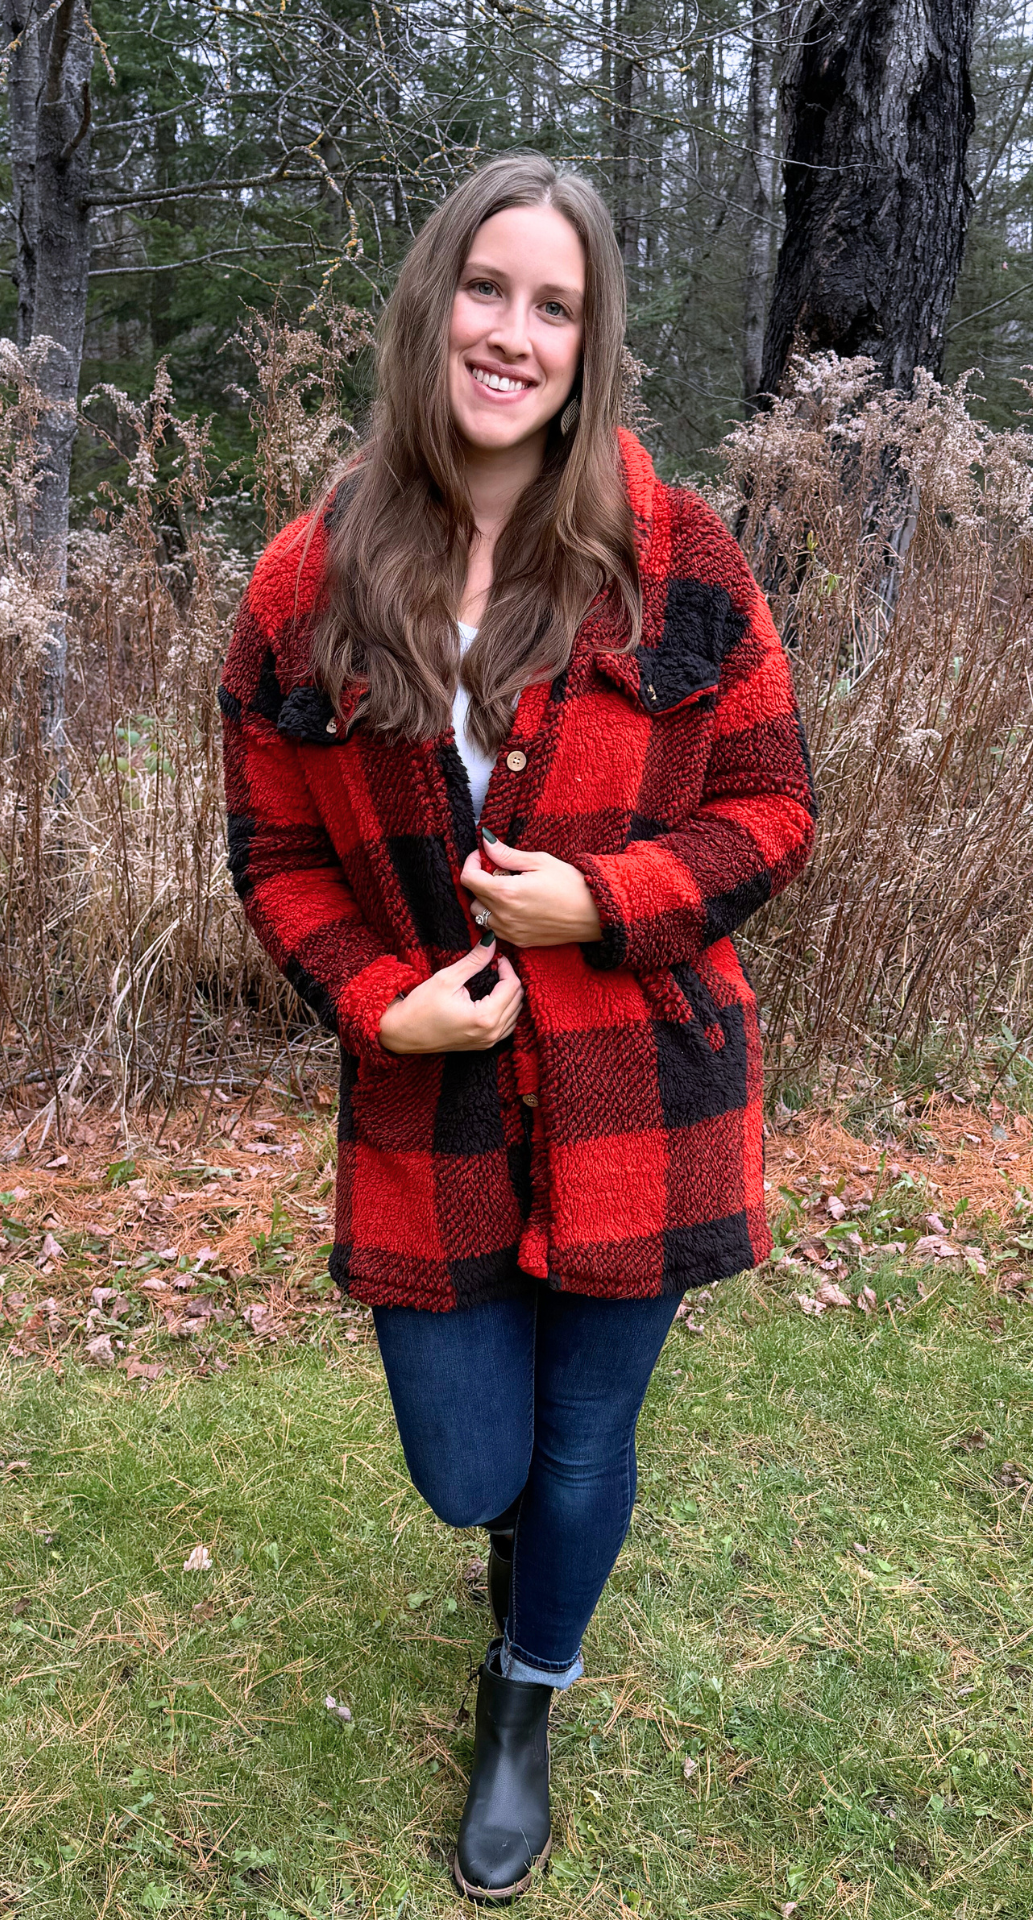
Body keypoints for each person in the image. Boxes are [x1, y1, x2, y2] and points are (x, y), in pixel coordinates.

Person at [219, 150, 816, 1902]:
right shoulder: (305, 582)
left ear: (591, 337)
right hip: (435, 1102)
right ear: (433, 304)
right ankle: (525, 1560)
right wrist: (375, 1001)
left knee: (580, 1446)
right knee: (469, 1459)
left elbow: (773, 805)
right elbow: (270, 852)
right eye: (489, 289)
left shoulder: (678, 556)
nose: (513, 332)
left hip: (647, 1086)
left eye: (554, 305)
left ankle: (525, 1693)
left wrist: (605, 905)